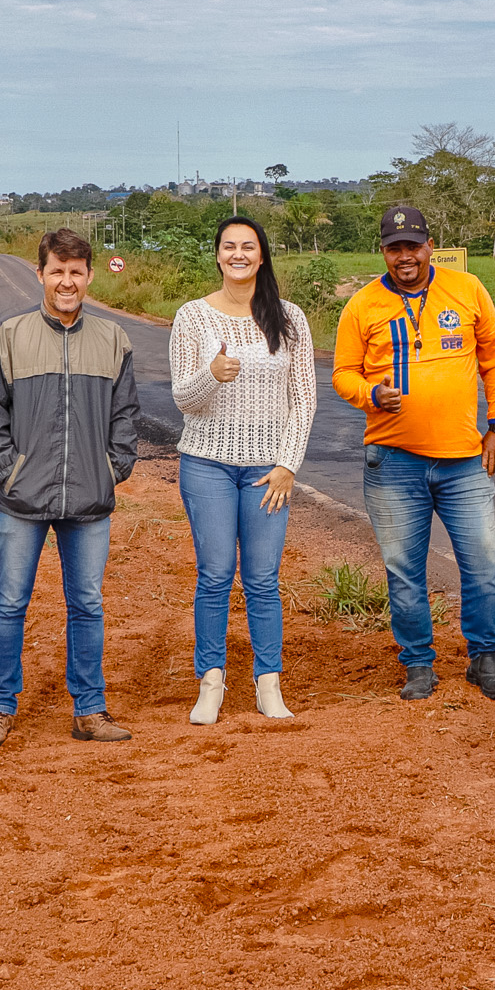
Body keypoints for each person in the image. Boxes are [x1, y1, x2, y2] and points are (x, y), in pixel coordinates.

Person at [332, 204, 495, 702]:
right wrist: (371, 394)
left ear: (430, 246)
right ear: (384, 252)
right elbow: (343, 372)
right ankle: (417, 663)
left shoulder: (467, 289)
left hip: (462, 461)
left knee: (483, 562)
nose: (405, 256)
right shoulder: (363, 305)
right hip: (392, 462)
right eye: (395, 248)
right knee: (403, 568)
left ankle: (484, 657)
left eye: (413, 245)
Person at [0, 227, 141, 745]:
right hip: (20, 499)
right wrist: (11, 472)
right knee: (9, 602)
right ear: (41, 273)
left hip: (89, 499)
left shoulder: (113, 340)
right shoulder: (9, 336)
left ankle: (90, 709)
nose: (67, 281)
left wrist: (111, 469)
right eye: (57, 271)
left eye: (76, 272)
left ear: (89, 277)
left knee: (86, 604)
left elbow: (126, 417)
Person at [169, 216, 317, 724]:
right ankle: (211, 681)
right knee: (214, 575)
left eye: (248, 247)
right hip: (206, 464)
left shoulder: (290, 318)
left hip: (266, 471)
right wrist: (211, 376)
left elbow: (304, 400)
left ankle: (267, 682)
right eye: (229, 246)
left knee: (262, 579)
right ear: (217, 255)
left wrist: (287, 465)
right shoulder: (192, 317)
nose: (238, 254)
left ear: (261, 256)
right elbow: (182, 400)